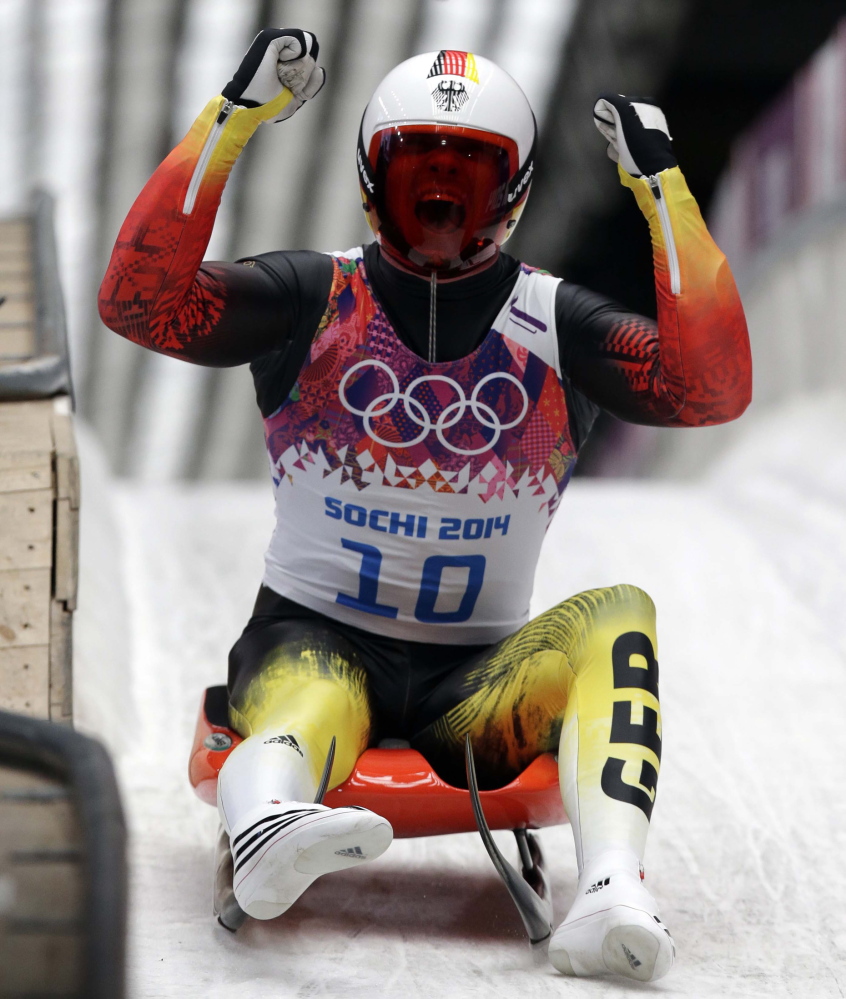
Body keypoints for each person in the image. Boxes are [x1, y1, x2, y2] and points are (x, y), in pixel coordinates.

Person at [98, 29, 751, 982]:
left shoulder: (557, 324)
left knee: (621, 615)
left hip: (473, 685)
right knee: (315, 693)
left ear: (514, 196)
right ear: (373, 183)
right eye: (419, 176)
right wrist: (229, 121)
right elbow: (141, 302)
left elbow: (711, 387)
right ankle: (272, 821)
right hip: (315, 641)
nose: (442, 205)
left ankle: (611, 887)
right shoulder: (309, 296)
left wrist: (665, 196)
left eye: (469, 181)